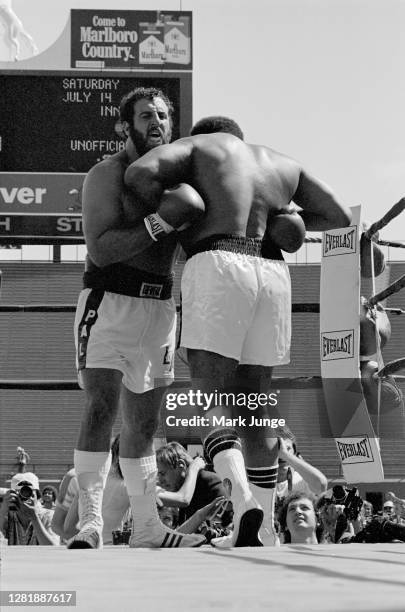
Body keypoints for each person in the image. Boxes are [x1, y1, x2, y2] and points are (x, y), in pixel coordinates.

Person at [124, 114, 352, 547]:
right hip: (272, 273)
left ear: (206, 134)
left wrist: (178, 209)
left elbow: (140, 172)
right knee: (255, 405)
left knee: (210, 393)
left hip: (218, 262)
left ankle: (243, 497)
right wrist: (289, 217)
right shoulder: (282, 163)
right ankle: (263, 528)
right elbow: (337, 215)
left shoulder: (200, 147)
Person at [70, 86, 205, 549]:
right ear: (125, 125)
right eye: (146, 115)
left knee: (145, 425)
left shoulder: (178, 183)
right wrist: (161, 223)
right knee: (102, 406)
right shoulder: (106, 175)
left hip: (160, 307)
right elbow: (102, 249)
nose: (156, 123)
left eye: (163, 116)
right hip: (109, 300)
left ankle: (147, 527)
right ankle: (90, 523)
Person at [156, 441, 226, 523]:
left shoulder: (209, 482)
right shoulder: (182, 489)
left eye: (162, 473)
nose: (160, 480)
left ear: (180, 465)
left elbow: (227, 524)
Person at [0, 473, 59, 545]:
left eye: (29, 491)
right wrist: (2, 512)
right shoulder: (7, 516)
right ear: (13, 494)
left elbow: (54, 548)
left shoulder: (48, 515)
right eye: (21, 491)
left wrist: (34, 517)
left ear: (37, 495)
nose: (25, 495)